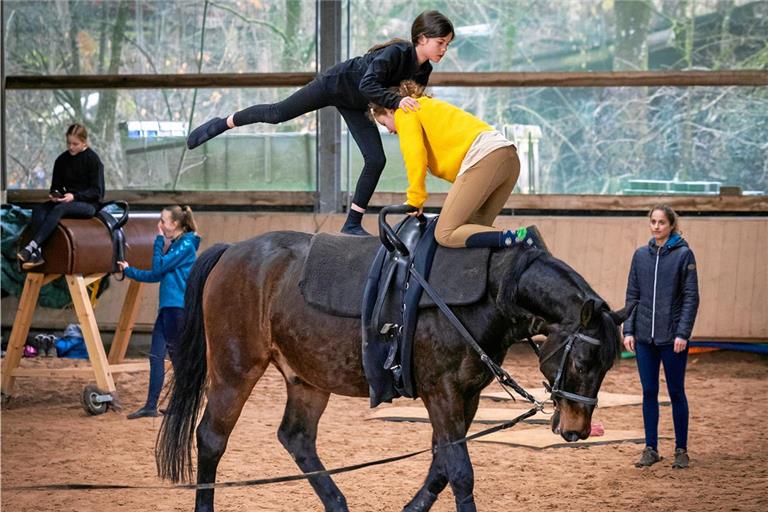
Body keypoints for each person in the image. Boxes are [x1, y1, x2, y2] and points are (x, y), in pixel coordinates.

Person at [186, 11, 454, 236]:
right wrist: (395, 105)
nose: (443, 49)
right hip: (335, 84)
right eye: (440, 43)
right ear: (422, 38)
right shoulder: (397, 52)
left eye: (447, 44)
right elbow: (368, 83)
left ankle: (352, 223)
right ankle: (223, 123)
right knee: (277, 114)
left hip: (358, 104)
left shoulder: (424, 69)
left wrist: (400, 124)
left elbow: (409, 102)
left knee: (376, 160)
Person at [369, 81, 546, 250]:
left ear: (389, 109)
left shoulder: (405, 111)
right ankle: (519, 242)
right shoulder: (425, 106)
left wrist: (415, 199)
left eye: (384, 124)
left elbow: (415, 155)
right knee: (472, 234)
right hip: (507, 158)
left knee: (445, 233)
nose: (390, 131)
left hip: (486, 157)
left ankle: (521, 238)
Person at [622, 204, 699, 469]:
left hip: (672, 339)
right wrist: (628, 329)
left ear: (671, 225)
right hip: (644, 338)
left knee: (676, 392)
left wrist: (683, 333)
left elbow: (691, 297)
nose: (656, 226)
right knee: (649, 391)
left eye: (661, 222)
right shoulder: (640, 255)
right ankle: (651, 448)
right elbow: (632, 296)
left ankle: (681, 449)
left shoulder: (684, 255)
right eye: (653, 222)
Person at [118, 206, 201, 419]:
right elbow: (156, 276)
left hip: (177, 310)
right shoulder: (176, 246)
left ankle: (184, 406)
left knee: (178, 360)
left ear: (175, 224)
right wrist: (128, 270)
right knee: (156, 357)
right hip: (167, 310)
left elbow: (158, 268)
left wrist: (157, 241)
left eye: (163, 221)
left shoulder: (186, 245)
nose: (160, 225)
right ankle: (150, 405)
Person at [17, 123, 105, 269]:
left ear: (84, 142)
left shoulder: (93, 160)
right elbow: (56, 186)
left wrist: (75, 196)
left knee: (59, 209)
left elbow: (98, 192)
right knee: (39, 210)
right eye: (69, 143)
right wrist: (55, 195)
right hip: (66, 200)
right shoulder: (61, 160)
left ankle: (31, 247)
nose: (71, 147)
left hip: (88, 204)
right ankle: (37, 254)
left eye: (75, 144)